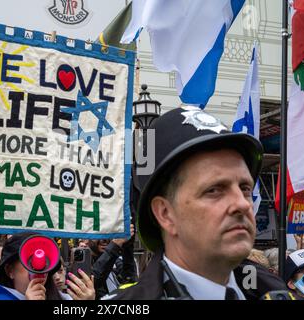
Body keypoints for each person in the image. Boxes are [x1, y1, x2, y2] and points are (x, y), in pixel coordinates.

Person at [108, 106, 266, 300]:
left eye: (245, 188)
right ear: (165, 213)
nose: (242, 204)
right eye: (214, 190)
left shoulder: (277, 292)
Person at [0, 232, 95, 300]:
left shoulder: (63, 298)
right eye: (28, 260)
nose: (39, 268)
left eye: (45, 262)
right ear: (9, 270)